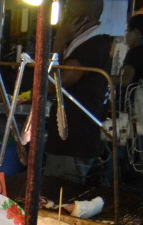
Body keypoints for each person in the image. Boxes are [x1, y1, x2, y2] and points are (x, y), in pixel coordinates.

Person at [44, 0, 112, 184]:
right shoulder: (96, 43)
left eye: (69, 10)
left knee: (61, 198)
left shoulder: (89, 48)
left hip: (73, 141)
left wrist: (59, 40)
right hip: (82, 137)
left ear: (81, 20)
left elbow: (51, 85)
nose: (64, 16)